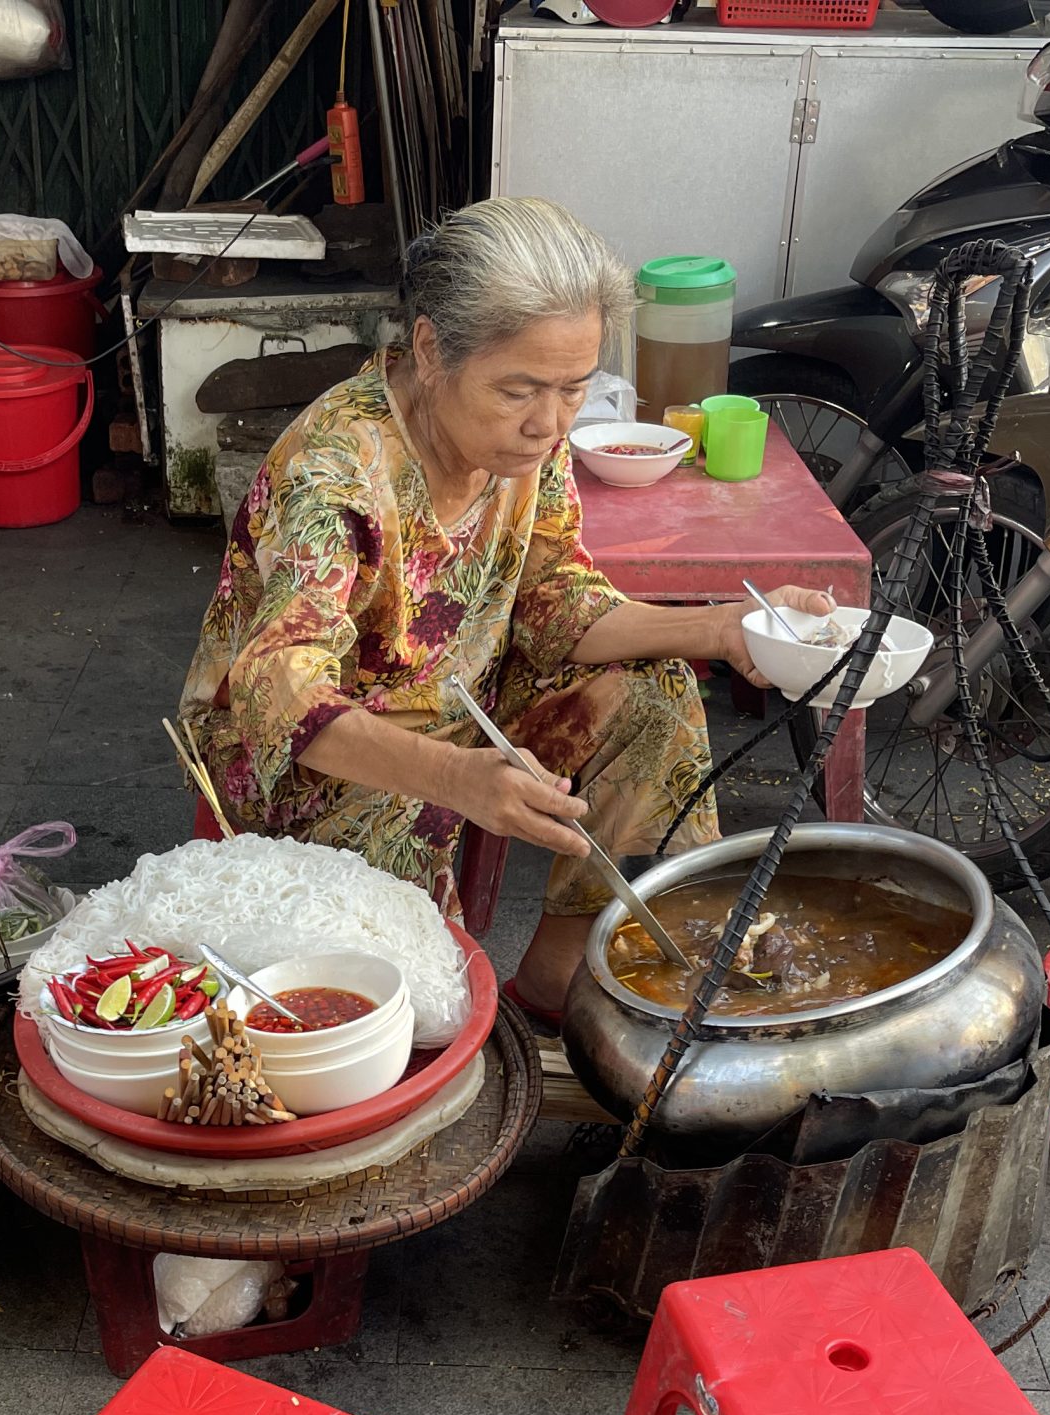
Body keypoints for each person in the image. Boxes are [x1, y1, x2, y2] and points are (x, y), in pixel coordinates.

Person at [179, 197, 834, 1021]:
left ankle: (557, 974)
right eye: (520, 389)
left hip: (461, 701)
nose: (551, 422)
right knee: (424, 989)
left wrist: (720, 628)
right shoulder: (336, 471)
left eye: (573, 388)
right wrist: (457, 777)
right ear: (429, 349)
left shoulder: (529, 442)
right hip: (314, 758)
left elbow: (555, 599)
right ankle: (449, 1033)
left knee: (657, 698)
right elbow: (278, 693)